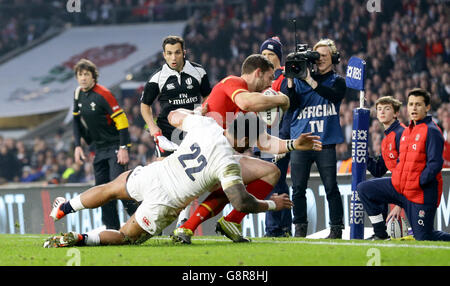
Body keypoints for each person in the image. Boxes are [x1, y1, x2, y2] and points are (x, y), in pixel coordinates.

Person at [43, 110, 303, 248]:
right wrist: (272, 204)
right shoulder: (228, 163)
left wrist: (192, 114)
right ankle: (82, 239)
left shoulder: (206, 125)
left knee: (111, 188)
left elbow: (172, 116)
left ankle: (65, 208)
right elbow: (241, 201)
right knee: (125, 237)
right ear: (246, 140)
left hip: (156, 173)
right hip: (167, 201)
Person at [171, 54, 310, 243]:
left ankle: (220, 222)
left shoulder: (251, 108)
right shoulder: (233, 82)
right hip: (200, 156)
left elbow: (265, 142)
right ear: (258, 73)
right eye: (269, 78)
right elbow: (246, 101)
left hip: (219, 159)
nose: (270, 86)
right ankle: (184, 226)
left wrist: (294, 144)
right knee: (227, 184)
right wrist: (282, 100)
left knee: (269, 172)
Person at [357, 88, 450, 241]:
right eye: (411, 104)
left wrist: (418, 182)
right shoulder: (407, 132)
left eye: (418, 105)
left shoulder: (432, 131)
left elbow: (435, 165)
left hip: (420, 193)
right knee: (364, 189)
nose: (414, 108)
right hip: (400, 189)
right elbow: (400, 163)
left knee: (424, 237)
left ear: (427, 107)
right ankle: (380, 234)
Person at [140, 35, 211, 226]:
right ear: (164, 55)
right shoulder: (158, 78)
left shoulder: (198, 72)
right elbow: (145, 106)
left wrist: (203, 110)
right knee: (161, 180)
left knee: (189, 178)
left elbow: (209, 97)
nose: (173, 57)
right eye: (169, 53)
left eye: (177, 53)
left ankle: (183, 222)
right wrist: (153, 129)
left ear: (184, 52)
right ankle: (154, 221)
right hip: (166, 134)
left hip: (191, 133)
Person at [285, 38, 346, 238]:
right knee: (298, 189)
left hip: (324, 141)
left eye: (325, 56)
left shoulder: (337, 81)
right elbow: (291, 106)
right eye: (317, 56)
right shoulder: (301, 81)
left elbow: (334, 96)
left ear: (334, 58)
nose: (319, 60)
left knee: (331, 187)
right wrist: (292, 82)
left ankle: (336, 229)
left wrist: (310, 80)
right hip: (301, 141)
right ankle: (299, 229)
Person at [72, 58, 138, 230]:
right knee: (101, 192)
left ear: (94, 76)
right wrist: (78, 146)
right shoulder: (78, 94)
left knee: (120, 189)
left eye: (86, 74)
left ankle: (145, 222)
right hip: (99, 149)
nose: (83, 78)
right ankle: (112, 230)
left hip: (116, 146)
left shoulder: (104, 94)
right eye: (80, 75)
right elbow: (76, 121)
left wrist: (124, 148)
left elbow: (122, 121)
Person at [258, 36, 292, 237]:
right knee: (273, 182)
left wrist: (283, 140)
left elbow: (289, 111)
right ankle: (283, 227)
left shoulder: (284, 78)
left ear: (279, 57)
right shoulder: (258, 79)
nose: (267, 58)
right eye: (263, 54)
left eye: (271, 54)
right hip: (261, 138)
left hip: (277, 138)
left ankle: (274, 229)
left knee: (272, 182)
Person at [367, 96, 406, 223]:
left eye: (387, 108)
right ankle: (380, 231)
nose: (382, 112)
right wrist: (363, 155)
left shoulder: (402, 133)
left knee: (424, 235)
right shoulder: (386, 139)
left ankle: (381, 230)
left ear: (396, 113)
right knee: (368, 188)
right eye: (379, 109)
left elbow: (408, 170)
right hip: (399, 186)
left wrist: (399, 204)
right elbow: (378, 171)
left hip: (410, 188)